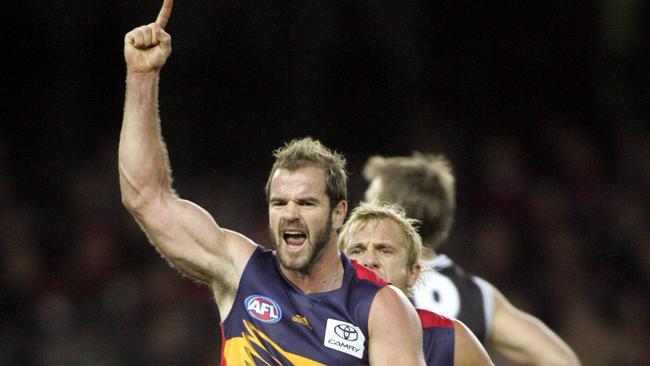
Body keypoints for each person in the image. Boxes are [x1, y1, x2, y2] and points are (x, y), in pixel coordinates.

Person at [118, 1, 425, 364]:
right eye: (280, 203)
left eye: (307, 203)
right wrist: (141, 77)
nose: (290, 214)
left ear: (338, 213)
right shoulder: (241, 271)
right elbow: (146, 197)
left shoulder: (379, 306)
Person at [362, 152, 582, 366]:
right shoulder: (479, 294)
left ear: (391, 215)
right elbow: (561, 360)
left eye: (370, 204)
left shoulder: (368, 277)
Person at [339, 201, 494, 366]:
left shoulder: (450, 340)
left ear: (413, 273)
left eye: (384, 250)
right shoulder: (310, 323)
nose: (369, 261)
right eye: (357, 250)